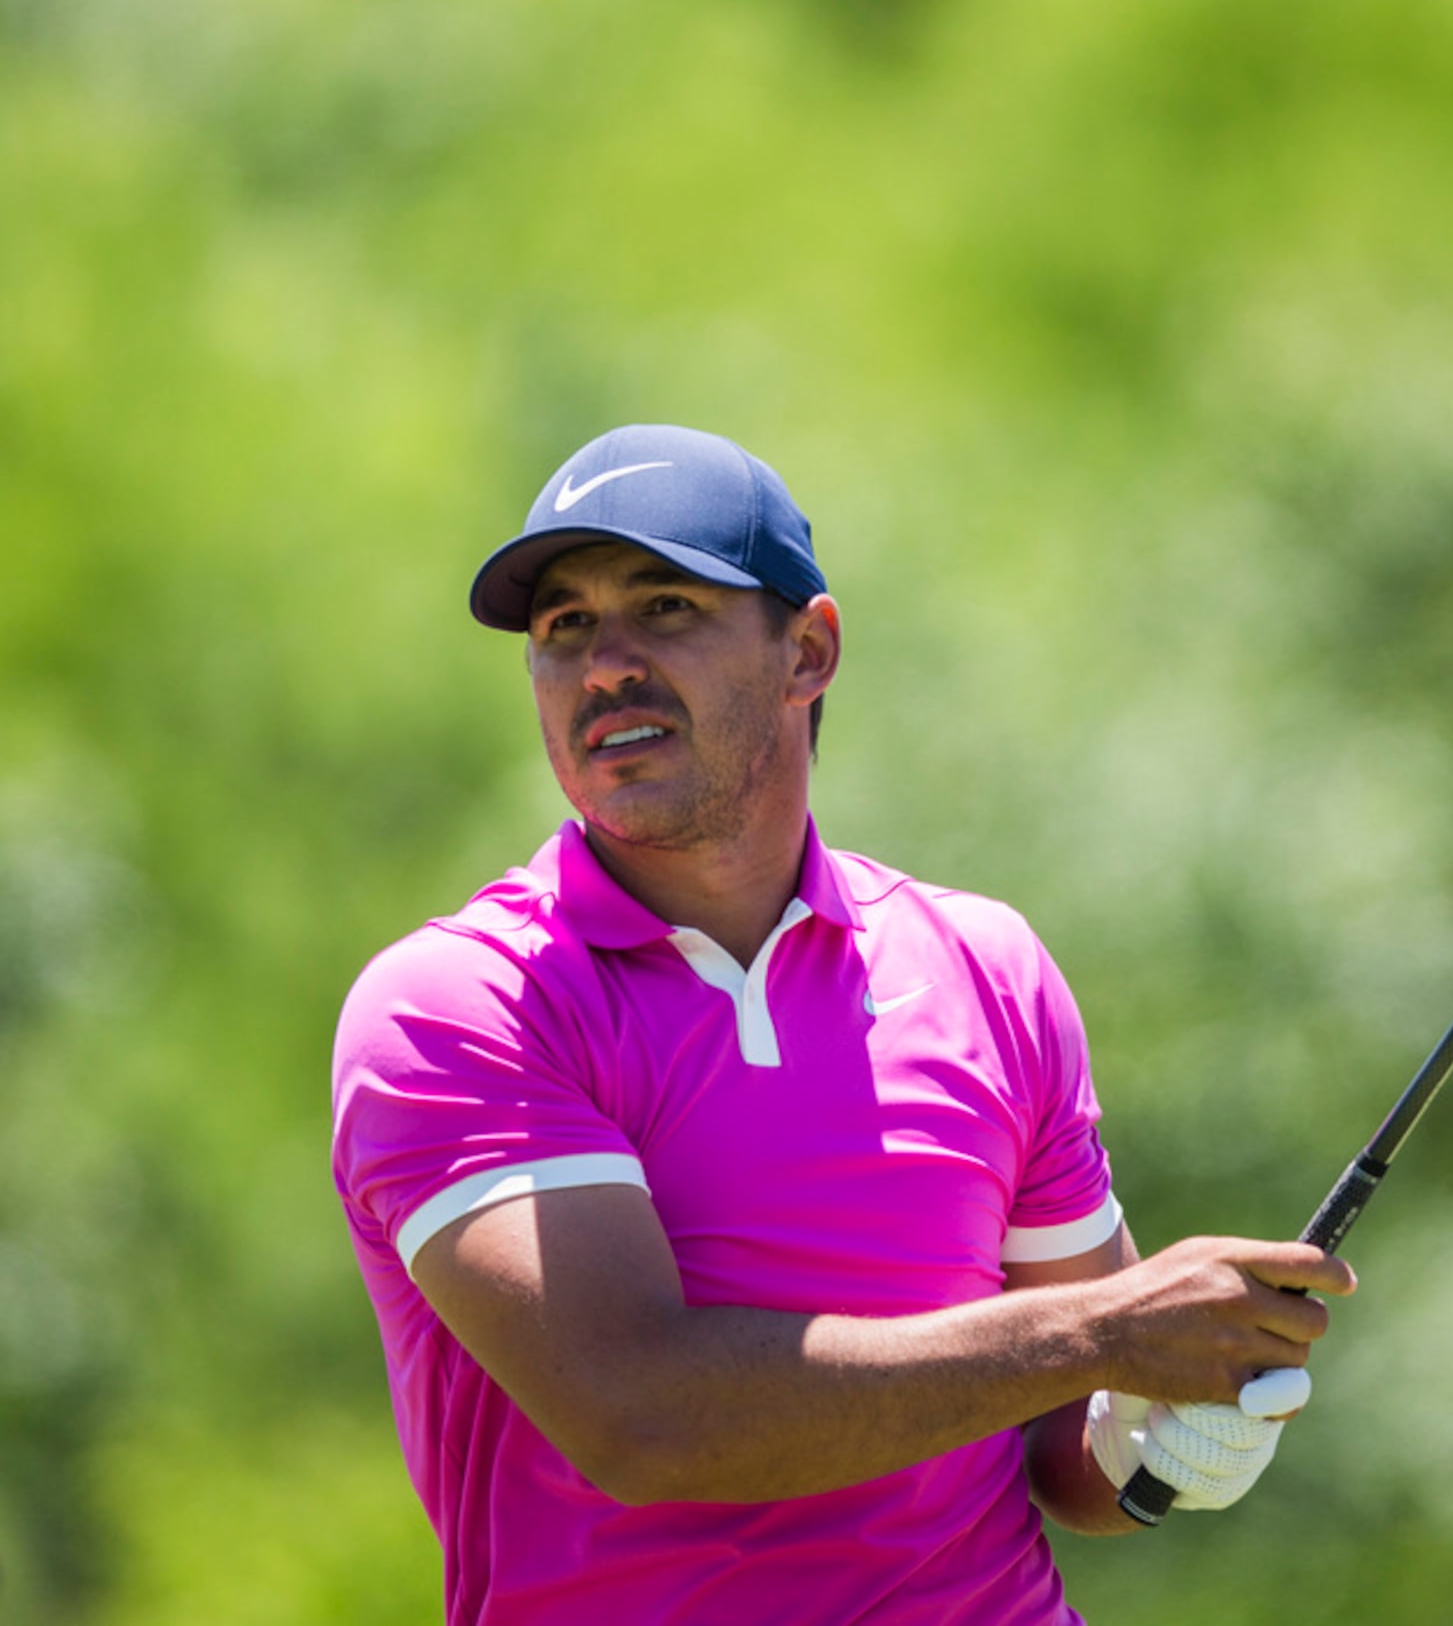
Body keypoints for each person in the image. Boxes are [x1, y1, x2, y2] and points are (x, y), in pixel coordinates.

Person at [331, 424, 1356, 1624]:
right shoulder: (460, 1005)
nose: (604, 665)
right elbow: (646, 1420)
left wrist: (1153, 1442)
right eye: (563, 628)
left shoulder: (986, 969)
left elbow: (1061, 1444)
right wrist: (1101, 1337)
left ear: (806, 650)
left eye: (664, 608)